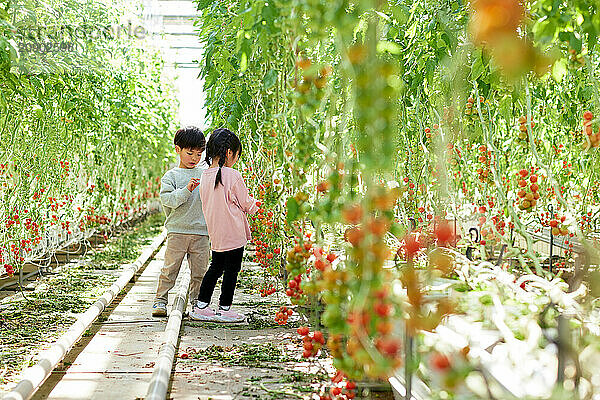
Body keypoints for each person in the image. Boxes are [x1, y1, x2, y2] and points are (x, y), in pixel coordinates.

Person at [190, 128, 258, 323]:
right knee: (232, 271)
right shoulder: (232, 175)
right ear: (229, 153)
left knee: (215, 267)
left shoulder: (205, 176)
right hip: (234, 233)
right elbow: (246, 203)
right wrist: (257, 206)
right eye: (236, 155)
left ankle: (201, 306)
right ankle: (224, 308)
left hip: (217, 233)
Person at [152, 126, 210, 317]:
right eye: (190, 152)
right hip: (177, 231)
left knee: (200, 272)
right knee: (170, 269)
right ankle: (160, 301)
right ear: (177, 149)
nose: (194, 158)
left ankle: (197, 303)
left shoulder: (205, 175)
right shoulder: (172, 176)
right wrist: (186, 190)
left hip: (201, 232)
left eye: (199, 153)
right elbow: (168, 200)